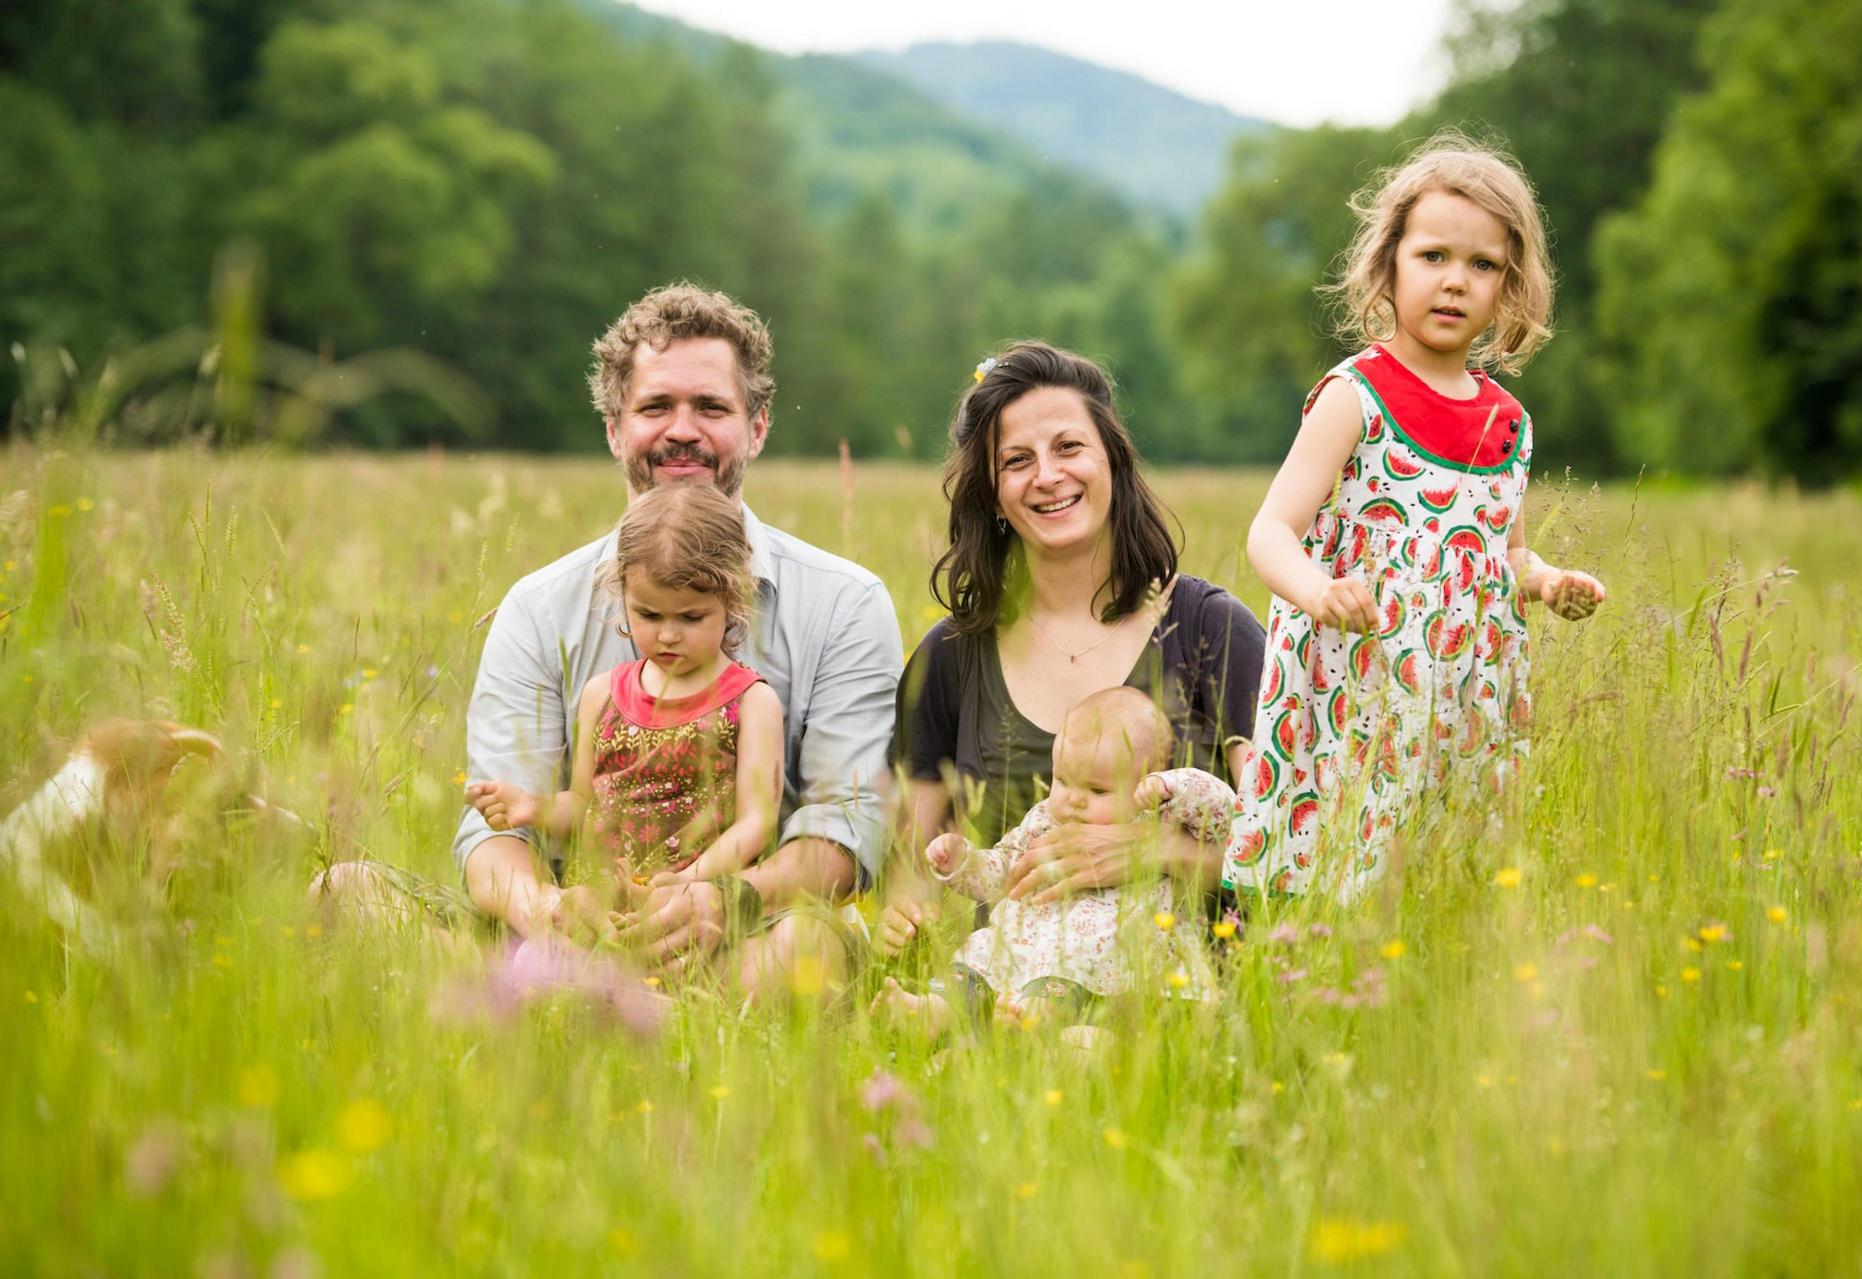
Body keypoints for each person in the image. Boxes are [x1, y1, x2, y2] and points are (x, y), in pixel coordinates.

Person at [316, 283, 902, 996]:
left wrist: (726, 898)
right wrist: (548, 910)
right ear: (614, 429)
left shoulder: (845, 602)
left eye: (711, 408)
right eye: (655, 407)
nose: (681, 430)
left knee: (807, 950)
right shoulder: (538, 608)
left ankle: (603, 1016)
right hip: (573, 934)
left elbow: (846, 830)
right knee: (345, 891)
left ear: (756, 426)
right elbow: (495, 837)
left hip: (747, 933)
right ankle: (564, 999)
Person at [1225, 134, 1606, 902]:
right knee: (1323, 866)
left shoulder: (1508, 423)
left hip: (1457, 702)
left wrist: (1549, 580)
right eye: (1432, 256)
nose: (1454, 282)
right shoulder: (1356, 393)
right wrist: (1316, 589)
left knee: (1428, 886)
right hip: (1347, 685)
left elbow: (1504, 554)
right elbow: (1270, 529)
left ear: (1512, 287)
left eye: (1482, 265)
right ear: (1389, 263)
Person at [880, 341, 1263, 957]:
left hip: (1178, 994)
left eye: (1068, 447)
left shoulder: (1210, 629)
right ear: (993, 495)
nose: (1047, 476)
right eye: (1017, 461)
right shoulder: (949, 656)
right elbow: (911, 871)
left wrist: (1154, 851)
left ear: (1111, 458)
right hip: (1008, 1000)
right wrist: (908, 917)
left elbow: (1292, 855)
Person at [462, 484, 783, 924]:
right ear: (623, 597)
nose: (668, 634)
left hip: (694, 909)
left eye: (691, 617)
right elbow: (584, 805)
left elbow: (757, 822)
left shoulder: (750, 702)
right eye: (648, 615)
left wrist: (692, 880)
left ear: (733, 601)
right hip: (596, 905)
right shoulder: (602, 694)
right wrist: (530, 806)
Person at [873, 687, 1234, 1039]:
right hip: (1021, 946)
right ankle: (932, 1011)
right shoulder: (1045, 820)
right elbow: (1005, 871)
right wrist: (962, 863)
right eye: (1063, 780)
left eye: (1097, 791)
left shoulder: (1156, 820)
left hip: (1104, 959)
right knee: (974, 962)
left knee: (1062, 975)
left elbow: (1223, 810)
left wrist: (1172, 786)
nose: (1074, 800)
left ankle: (1034, 1025)